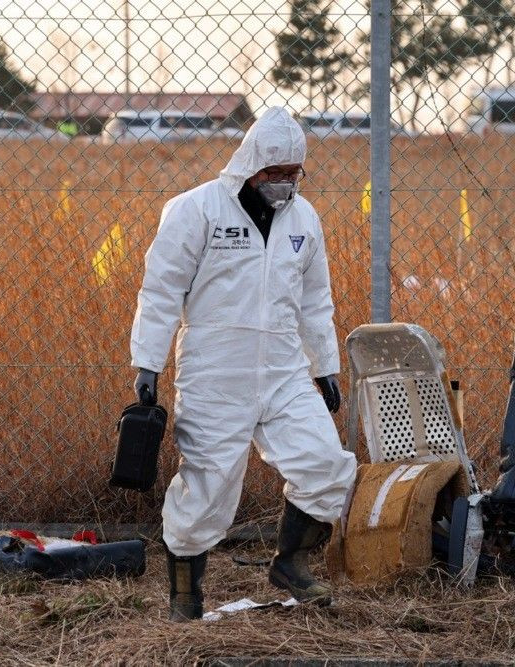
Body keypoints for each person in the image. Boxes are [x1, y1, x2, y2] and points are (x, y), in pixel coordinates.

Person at [129, 106, 357, 621]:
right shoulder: (196, 210)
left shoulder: (304, 218)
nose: (283, 184)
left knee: (327, 465)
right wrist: (148, 363)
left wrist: (325, 365)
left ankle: (292, 564)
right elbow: (161, 290)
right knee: (207, 486)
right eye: (273, 174)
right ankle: (185, 598)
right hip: (214, 371)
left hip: (283, 369)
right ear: (249, 165)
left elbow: (315, 299)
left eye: (292, 174)